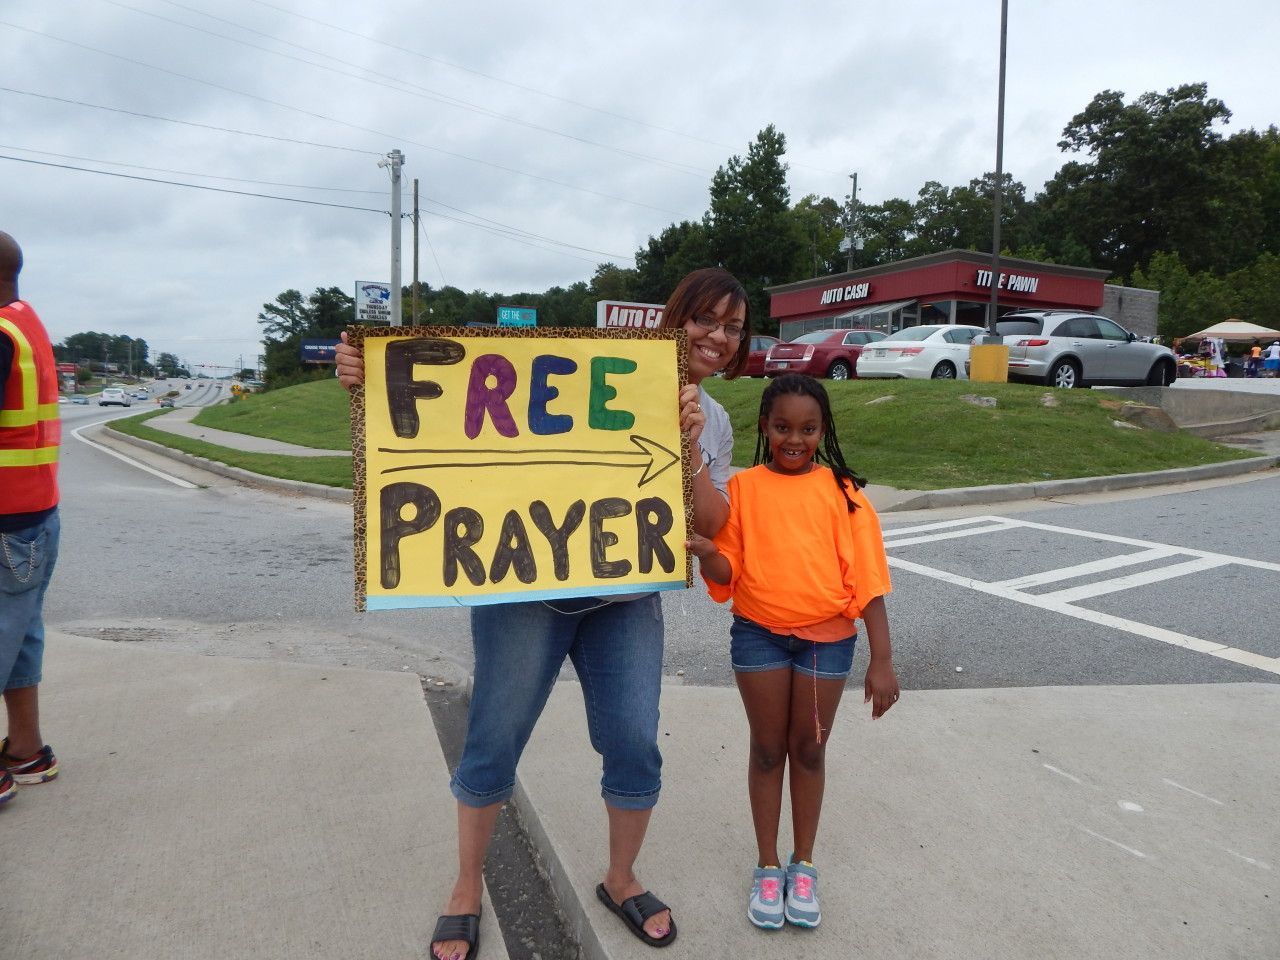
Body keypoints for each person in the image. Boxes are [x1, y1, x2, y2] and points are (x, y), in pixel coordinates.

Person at [334, 267, 750, 959]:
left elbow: (714, 519)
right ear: (674, 318)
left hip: (627, 602)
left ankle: (621, 878)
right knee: (494, 737)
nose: (718, 337)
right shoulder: (602, 369)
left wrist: (686, 445)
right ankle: (467, 887)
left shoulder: (717, 418)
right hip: (524, 595)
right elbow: (457, 411)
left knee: (633, 742)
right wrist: (370, 374)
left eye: (733, 327)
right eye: (706, 319)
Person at [686, 373, 899, 932]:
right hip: (758, 634)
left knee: (808, 750)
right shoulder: (746, 489)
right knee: (766, 749)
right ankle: (767, 865)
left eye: (807, 428)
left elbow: (869, 581)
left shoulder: (844, 494)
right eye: (782, 427)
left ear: (822, 430)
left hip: (826, 640)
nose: (794, 439)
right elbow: (728, 573)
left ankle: (803, 865)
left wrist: (882, 659)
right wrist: (708, 552)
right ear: (764, 427)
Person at [0, 230, 62, 806]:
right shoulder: (26, 323)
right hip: (33, 513)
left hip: (4, 520)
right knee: (18, 634)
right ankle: (25, 751)